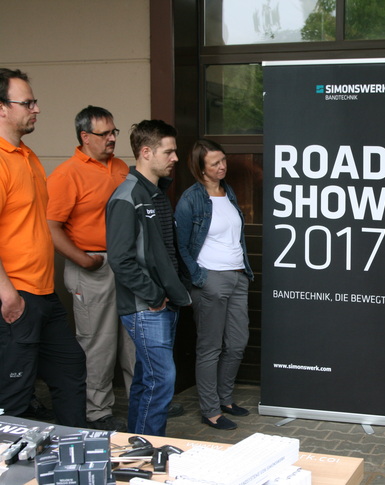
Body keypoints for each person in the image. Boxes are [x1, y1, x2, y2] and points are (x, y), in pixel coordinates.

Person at [0, 68, 87, 426]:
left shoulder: (28, 157)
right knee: (14, 395)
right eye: (27, 102)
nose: (36, 108)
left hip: (43, 293)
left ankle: (73, 455)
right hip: (16, 295)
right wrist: (8, 294)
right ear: (2, 108)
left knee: (70, 368)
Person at [46, 106, 135, 432]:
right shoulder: (67, 174)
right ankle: (97, 413)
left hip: (126, 264)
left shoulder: (121, 167)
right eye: (104, 134)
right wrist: (83, 259)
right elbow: (51, 225)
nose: (112, 138)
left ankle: (142, 401)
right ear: (85, 137)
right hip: (92, 266)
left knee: (133, 338)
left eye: (114, 132)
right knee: (97, 342)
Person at [106, 119, 191, 436]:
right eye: (169, 152)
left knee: (147, 378)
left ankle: (136, 447)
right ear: (146, 152)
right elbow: (120, 259)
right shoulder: (127, 196)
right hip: (146, 306)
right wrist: (155, 296)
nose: (175, 158)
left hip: (162, 304)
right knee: (161, 379)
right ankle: (147, 451)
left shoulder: (154, 193)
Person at [175, 139, 254, 430]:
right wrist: (199, 278)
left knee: (236, 343)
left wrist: (242, 272)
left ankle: (225, 398)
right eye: (215, 163)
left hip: (237, 276)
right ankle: (210, 410)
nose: (223, 166)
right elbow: (180, 246)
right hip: (211, 279)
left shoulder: (228, 192)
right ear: (200, 168)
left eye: (223, 160)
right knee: (210, 348)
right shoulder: (190, 199)